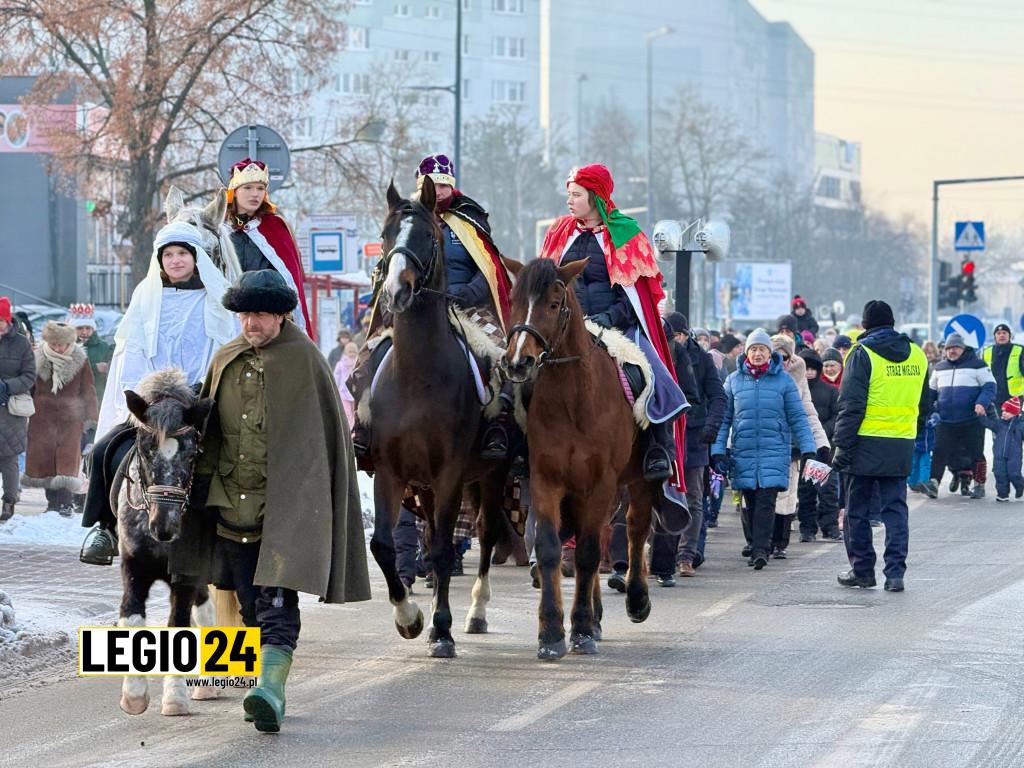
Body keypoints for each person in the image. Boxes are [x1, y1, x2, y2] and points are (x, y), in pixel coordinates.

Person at [186, 269, 370, 732]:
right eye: (245, 314)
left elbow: (321, 444)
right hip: (230, 508)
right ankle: (255, 681)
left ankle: (271, 692)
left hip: (282, 509)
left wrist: (309, 504)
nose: (252, 323)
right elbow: (206, 436)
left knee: (276, 602)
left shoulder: (305, 361)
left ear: (282, 315)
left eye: (261, 315)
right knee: (248, 604)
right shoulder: (225, 359)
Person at [79, 221, 240, 565]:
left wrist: (195, 393)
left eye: (183, 253)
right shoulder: (145, 296)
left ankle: (235, 528)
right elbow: (132, 353)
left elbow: (221, 349)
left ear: (196, 257)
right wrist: (148, 398)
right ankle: (104, 527)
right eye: (169, 254)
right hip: (151, 406)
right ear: (160, 259)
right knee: (103, 452)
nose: (176, 260)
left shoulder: (215, 298)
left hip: (197, 402)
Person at [348, 153, 516, 461]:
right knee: (371, 351)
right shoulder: (408, 218)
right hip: (415, 308)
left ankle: (498, 424)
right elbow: (391, 261)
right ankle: (364, 423)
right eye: (432, 186)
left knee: (501, 353)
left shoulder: (470, 218)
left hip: (468, 307)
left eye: (443, 185)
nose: (438, 192)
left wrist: (467, 293)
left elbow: (489, 268)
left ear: (452, 186)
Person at [540, 164, 688, 481]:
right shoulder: (559, 232)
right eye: (569, 194)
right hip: (566, 326)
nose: (570, 200)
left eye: (576, 195)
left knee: (652, 372)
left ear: (595, 197)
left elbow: (635, 295)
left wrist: (606, 319)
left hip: (617, 327)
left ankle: (658, 449)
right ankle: (517, 446)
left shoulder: (626, 234)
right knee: (523, 368)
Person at [832, 300, 928, 592]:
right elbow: (924, 405)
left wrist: (841, 446)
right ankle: (895, 573)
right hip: (900, 444)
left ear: (865, 325)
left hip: (864, 444)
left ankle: (862, 571)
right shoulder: (918, 354)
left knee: (857, 511)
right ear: (893, 322)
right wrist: (912, 435)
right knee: (895, 510)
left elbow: (851, 405)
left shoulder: (861, 354)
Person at [712, 329, 816, 570]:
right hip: (744, 451)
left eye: (762, 349)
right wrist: (717, 450)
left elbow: (798, 417)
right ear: (747, 352)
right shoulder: (734, 380)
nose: (758, 354)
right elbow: (724, 419)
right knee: (749, 500)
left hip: (775, 450)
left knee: (767, 501)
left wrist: (809, 448)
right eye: (753, 349)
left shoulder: (784, 381)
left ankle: (761, 550)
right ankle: (756, 544)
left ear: (770, 353)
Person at [645, 312, 725, 582]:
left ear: (685, 335)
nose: (674, 341)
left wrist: (711, 428)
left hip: (694, 437)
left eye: (677, 335)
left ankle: (687, 555)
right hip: (664, 434)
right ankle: (655, 556)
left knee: (693, 498)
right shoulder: (653, 352)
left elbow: (717, 396)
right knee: (663, 495)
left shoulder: (701, 358)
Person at [225, 158, 312, 336]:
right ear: (234, 191)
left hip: (267, 316)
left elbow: (289, 278)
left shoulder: (276, 226)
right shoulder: (221, 227)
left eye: (260, 188)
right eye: (247, 188)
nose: (255, 194)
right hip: (226, 315)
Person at [21, 321, 97, 516]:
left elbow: (88, 391)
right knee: (45, 461)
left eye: (60, 344)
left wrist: (91, 418)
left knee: (66, 461)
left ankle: (65, 502)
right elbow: (30, 386)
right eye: (53, 344)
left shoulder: (80, 360)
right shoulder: (38, 358)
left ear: (68, 343)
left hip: (71, 418)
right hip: (42, 418)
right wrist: (25, 408)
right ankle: (52, 502)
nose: (56, 348)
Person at [770, 334, 830, 558]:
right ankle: (757, 542)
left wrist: (821, 442)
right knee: (757, 496)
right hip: (761, 445)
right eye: (776, 355)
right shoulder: (754, 376)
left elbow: (809, 412)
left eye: (785, 357)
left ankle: (779, 543)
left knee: (786, 497)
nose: (781, 361)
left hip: (791, 446)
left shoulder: (798, 378)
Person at [924, 333, 995, 499]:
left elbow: (990, 386)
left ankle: (979, 484)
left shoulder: (978, 365)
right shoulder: (940, 367)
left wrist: (981, 403)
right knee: (940, 451)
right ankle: (933, 483)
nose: (951, 351)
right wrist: (925, 412)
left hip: (970, 419)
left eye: (955, 348)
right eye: (948, 348)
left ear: (962, 348)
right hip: (946, 419)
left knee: (975, 452)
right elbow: (930, 394)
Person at [797, 348, 842, 541]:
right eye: (805, 368)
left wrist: (823, 430)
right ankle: (807, 529)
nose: (808, 372)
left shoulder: (830, 391)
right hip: (803, 450)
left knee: (827, 491)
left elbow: (837, 415)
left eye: (812, 368)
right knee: (805, 491)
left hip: (823, 450)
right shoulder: (795, 391)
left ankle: (830, 527)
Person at [0, 296, 36, 522]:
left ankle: (9, 501)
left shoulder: (21, 343)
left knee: (8, 458)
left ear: (7, 320)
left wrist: (6, 386)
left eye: (0, 322)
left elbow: (30, 376)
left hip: (10, 409)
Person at [980, 396, 1024, 502]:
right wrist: (981, 416)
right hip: (999, 455)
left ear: (1015, 413)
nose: (1004, 413)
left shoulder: (1020, 426)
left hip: (1014, 455)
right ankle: (1002, 494)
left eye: (1007, 411)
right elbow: (989, 424)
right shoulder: (1000, 424)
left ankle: (1020, 486)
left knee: (1014, 473)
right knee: (1000, 474)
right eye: (1003, 411)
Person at [69, 304, 112, 406]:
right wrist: (95, 368)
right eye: (80, 328)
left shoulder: (103, 346)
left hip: (98, 395)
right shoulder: (68, 346)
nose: (84, 332)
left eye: (88, 328)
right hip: (74, 396)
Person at [982, 323, 1024, 411]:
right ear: (995, 336)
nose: (1001, 335)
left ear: (1009, 335)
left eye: (1004, 333)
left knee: (1013, 424)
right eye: (998, 333)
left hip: (1013, 397)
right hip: (993, 397)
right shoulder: (987, 352)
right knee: (997, 423)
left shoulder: (1019, 350)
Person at [333, 341, 359, 427]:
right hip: (343, 392)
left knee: (355, 413)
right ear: (346, 352)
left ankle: (354, 429)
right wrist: (335, 389)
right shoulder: (340, 364)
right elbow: (336, 378)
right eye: (350, 352)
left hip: (355, 393)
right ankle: (350, 430)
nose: (352, 354)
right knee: (347, 413)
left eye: (354, 352)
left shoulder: (358, 364)